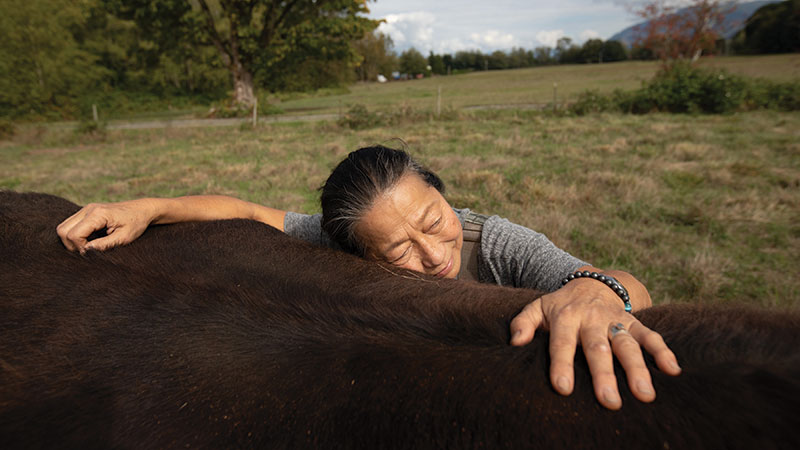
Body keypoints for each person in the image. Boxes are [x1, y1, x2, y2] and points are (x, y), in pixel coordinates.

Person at [57, 144, 681, 410]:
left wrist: (598, 291)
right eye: (398, 251)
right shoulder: (338, 244)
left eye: (433, 220)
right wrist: (145, 208)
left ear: (441, 194)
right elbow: (246, 211)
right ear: (353, 251)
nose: (434, 253)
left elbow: (621, 281)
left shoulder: (496, 242)